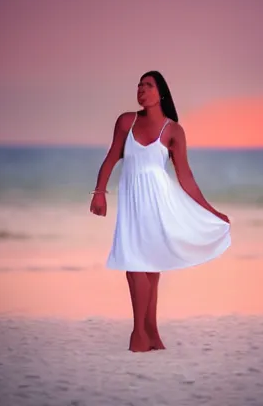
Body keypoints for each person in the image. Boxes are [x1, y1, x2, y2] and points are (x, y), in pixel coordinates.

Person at [90, 71, 231, 352]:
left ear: (160, 93)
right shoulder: (126, 121)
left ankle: (140, 334)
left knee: (147, 267)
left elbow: (186, 177)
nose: (141, 90)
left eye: (148, 85)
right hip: (131, 200)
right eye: (139, 85)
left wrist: (211, 211)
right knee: (135, 263)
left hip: (158, 201)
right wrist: (99, 192)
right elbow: (112, 157)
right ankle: (148, 332)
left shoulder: (173, 131)